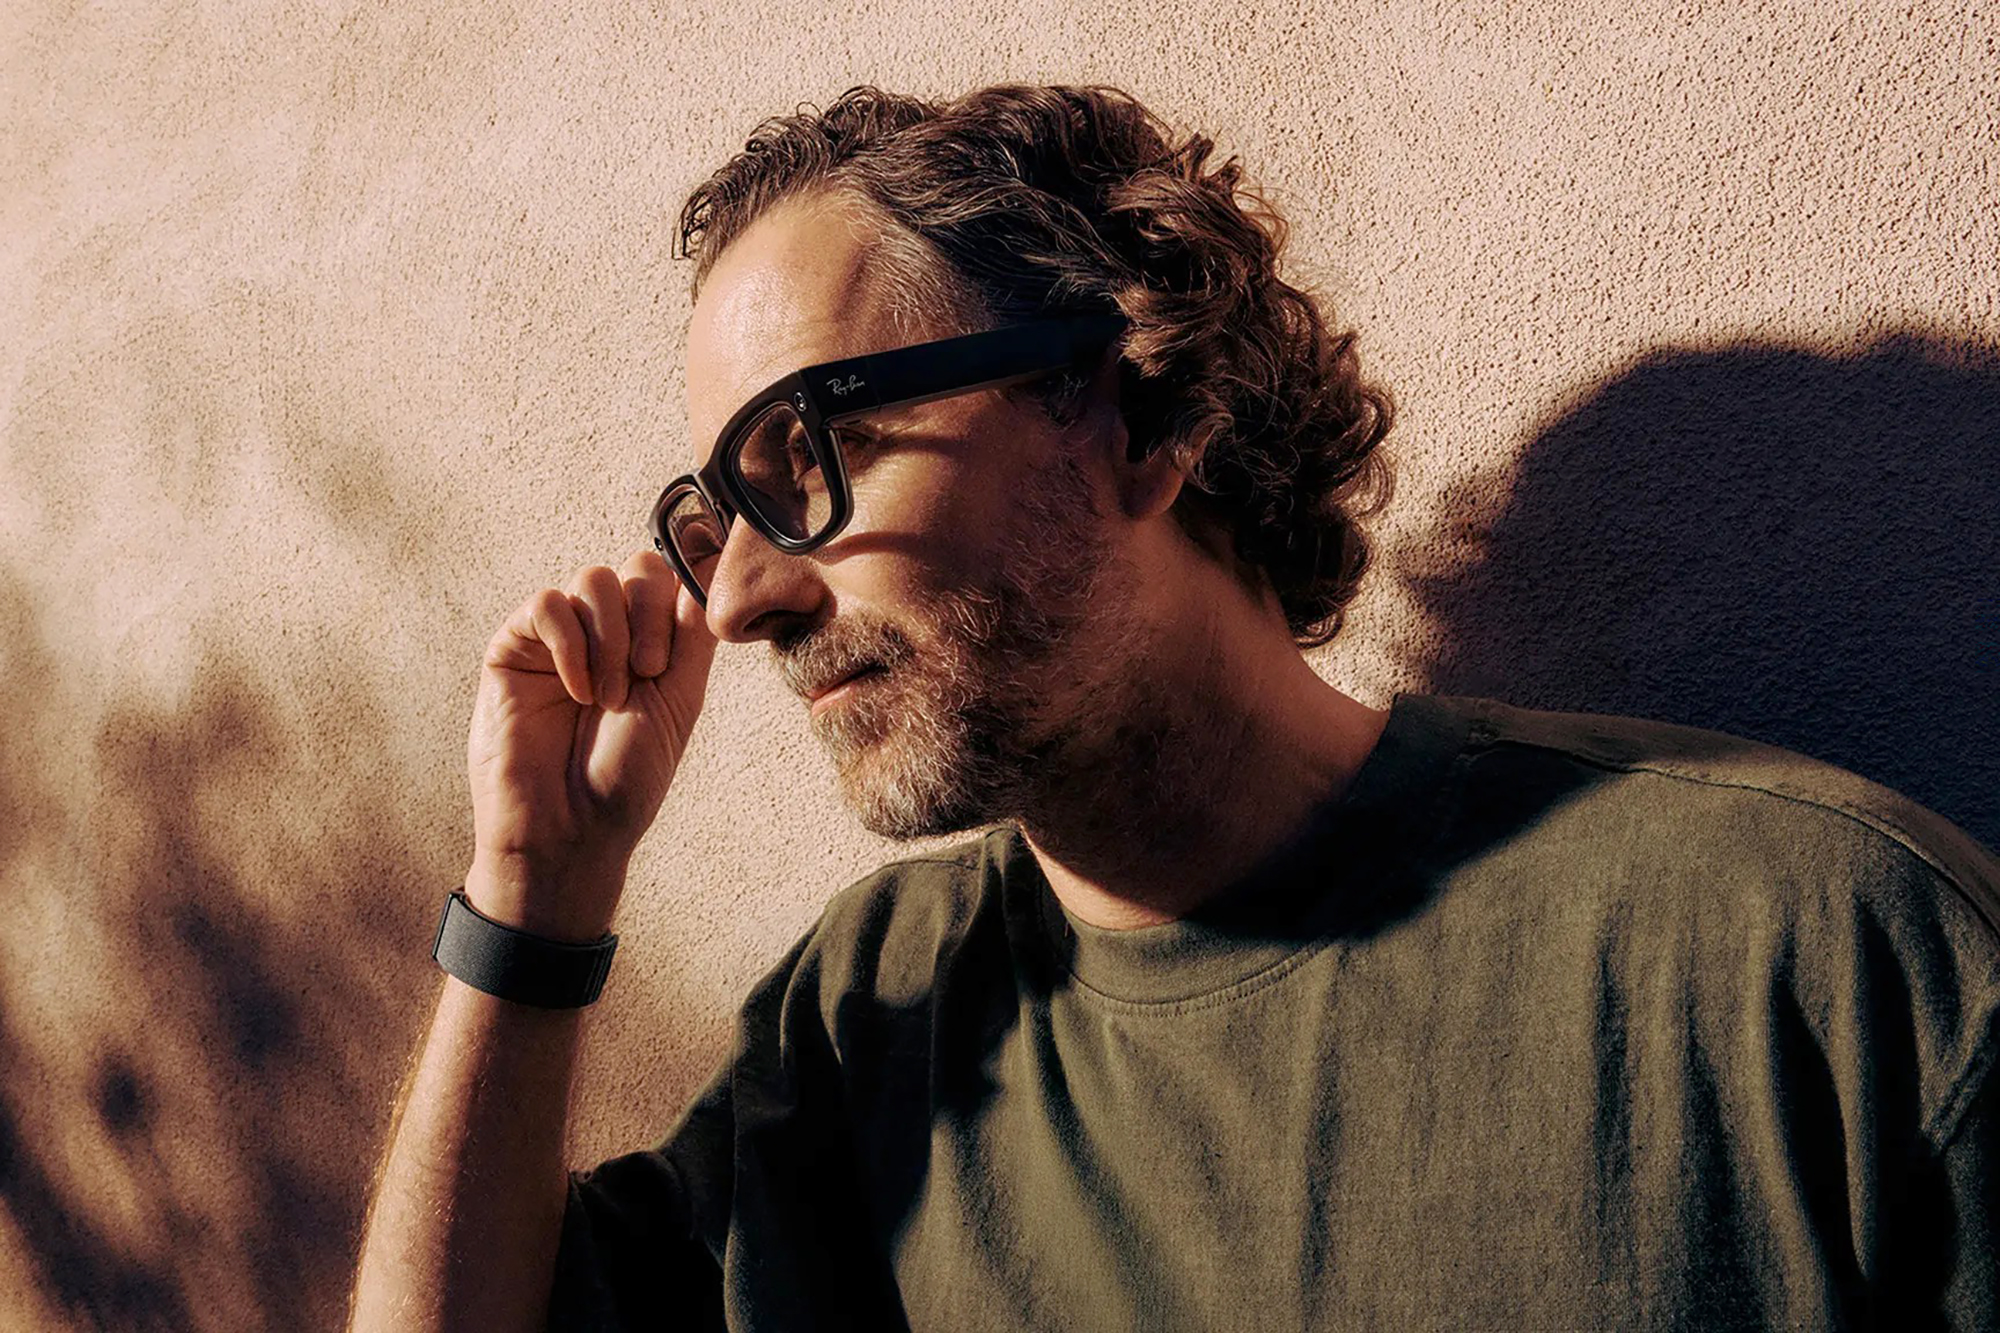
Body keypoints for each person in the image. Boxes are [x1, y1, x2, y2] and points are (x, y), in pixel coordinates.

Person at [350, 83, 2000, 1332]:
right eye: (716, 516)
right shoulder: (866, 1022)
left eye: (820, 454)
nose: (741, 600)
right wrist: (536, 896)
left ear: (1141, 409)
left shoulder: (1816, 954)